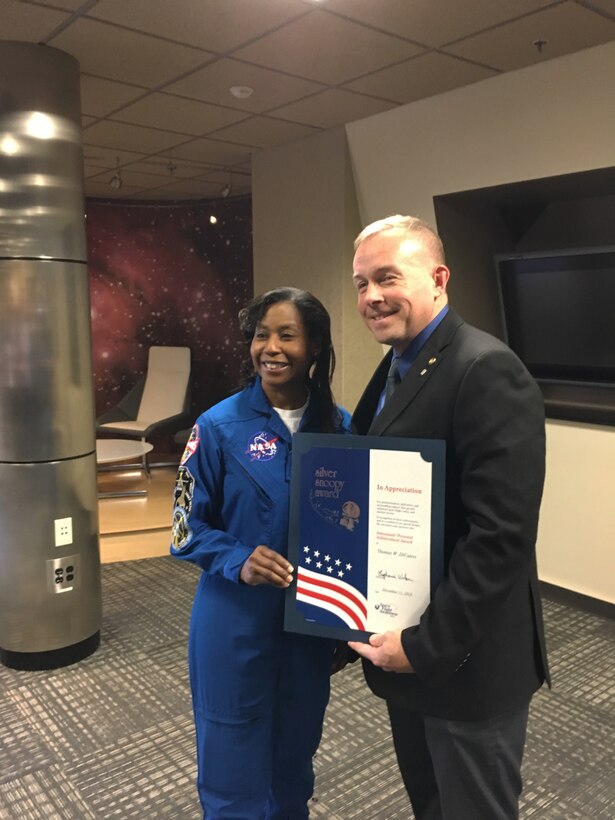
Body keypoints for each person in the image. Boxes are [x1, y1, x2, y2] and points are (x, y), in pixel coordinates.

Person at [347, 215, 550, 820]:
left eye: (387, 277)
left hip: (464, 662)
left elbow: (501, 536)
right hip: (407, 650)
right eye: (360, 283)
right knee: (433, 805)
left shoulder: (485, 368)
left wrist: (426, 645)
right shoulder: (397, 366)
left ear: (438, 279)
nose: (371, 296)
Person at [170, 287, 351, 819]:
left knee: (294, 762)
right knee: (231, 769)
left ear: (314, 346)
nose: (270, 347)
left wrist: (349, 619)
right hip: (233, 625)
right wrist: (238, 557)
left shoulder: (339, 426)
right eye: (260, 334)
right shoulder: (216, 427)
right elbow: (183, 527)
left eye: (287, 335)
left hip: (310, 626)